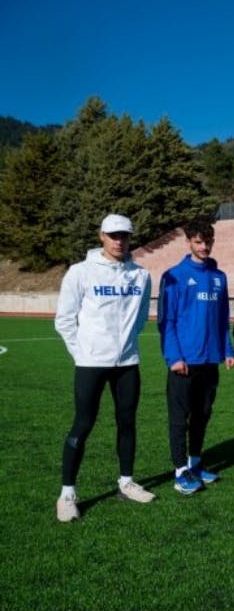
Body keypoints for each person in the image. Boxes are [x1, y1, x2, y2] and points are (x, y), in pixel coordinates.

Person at [54, 214, 154, 521]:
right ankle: (67, 494)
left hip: (127, 363)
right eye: (113, 235)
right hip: (91, 363)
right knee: (83, 424)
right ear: (101, 236)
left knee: (127, 423)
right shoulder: (80, 272)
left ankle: (126, 482)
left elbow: (140, 319)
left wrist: (126, 345)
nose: (119, 241)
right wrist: (83, 353)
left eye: (124, 235)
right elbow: (64, 320)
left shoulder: (141, 275)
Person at [157, 219, 234, 495]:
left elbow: (222, 319)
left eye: (208, 242)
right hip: (184, 362)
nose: (204, 247)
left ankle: (195, 462)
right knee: (180, 418)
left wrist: (227, 349)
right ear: (189, 242)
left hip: (210, 360)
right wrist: (174, 357)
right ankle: (180, 471)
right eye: (198, 242)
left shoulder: (219, 277)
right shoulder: (174, 275)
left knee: (202, 415)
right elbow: (166, 321)